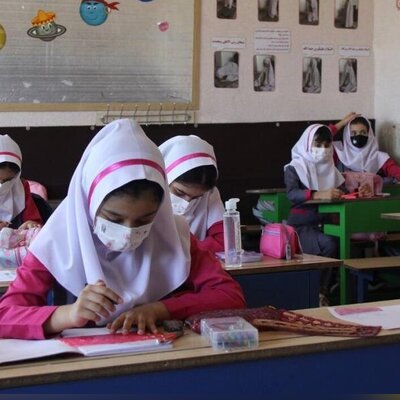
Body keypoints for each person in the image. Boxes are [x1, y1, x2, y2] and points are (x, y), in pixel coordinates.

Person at [0, 119, 245, 340]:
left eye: (144, 220)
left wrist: (159, 309)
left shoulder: (174, 235)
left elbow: (230, 295)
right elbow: (5, 315)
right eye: (114, 218)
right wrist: (68, 314)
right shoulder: (57, 240)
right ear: (89, 204)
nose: (128, 233)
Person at [284, 124, 348, 306]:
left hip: (328, 224)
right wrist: (317, 194)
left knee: (348, 244)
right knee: (329, 243)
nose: (323, 149)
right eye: (318, 144)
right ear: (307, 143)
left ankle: (331, 290)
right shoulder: (294, 167)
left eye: (327, 145)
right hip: (302, 226)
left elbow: (343, 190)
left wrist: (359, 191)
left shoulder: (332, 169)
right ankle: (319, 292)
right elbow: (292, 194)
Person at [159, 135, 225, 253]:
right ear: (165, 176)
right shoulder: (147, 194)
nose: (187, 203)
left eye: (196, 197)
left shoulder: (210, 194)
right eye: (179, 192)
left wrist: (184, 252)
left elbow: (223, 240)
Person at [331, 113, 400, 183]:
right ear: (347, 135)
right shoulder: (339, 153)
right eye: (354, 133)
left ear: (369, 134)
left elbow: (397, 172)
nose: (358, 136)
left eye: (363, 132)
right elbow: (324, 137)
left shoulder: (379, 157)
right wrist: (341, 124)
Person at [0, 135, 42, 231]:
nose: (2, 186)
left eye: (8, 180)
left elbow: (33, 219)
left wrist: (31, 224)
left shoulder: (21, 187)